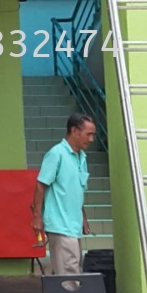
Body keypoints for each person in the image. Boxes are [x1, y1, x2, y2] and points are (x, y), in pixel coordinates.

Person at [30, 113, 95, 275]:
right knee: (69, 272)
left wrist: (83, 217)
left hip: (73, 224)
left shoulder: (81, 157)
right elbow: (40, 185)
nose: (91, 139)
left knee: (70, 268)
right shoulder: (56, 154)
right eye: (89, 134)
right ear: (74, 131)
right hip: (60, 224)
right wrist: (37, 216)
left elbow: (77, 190)